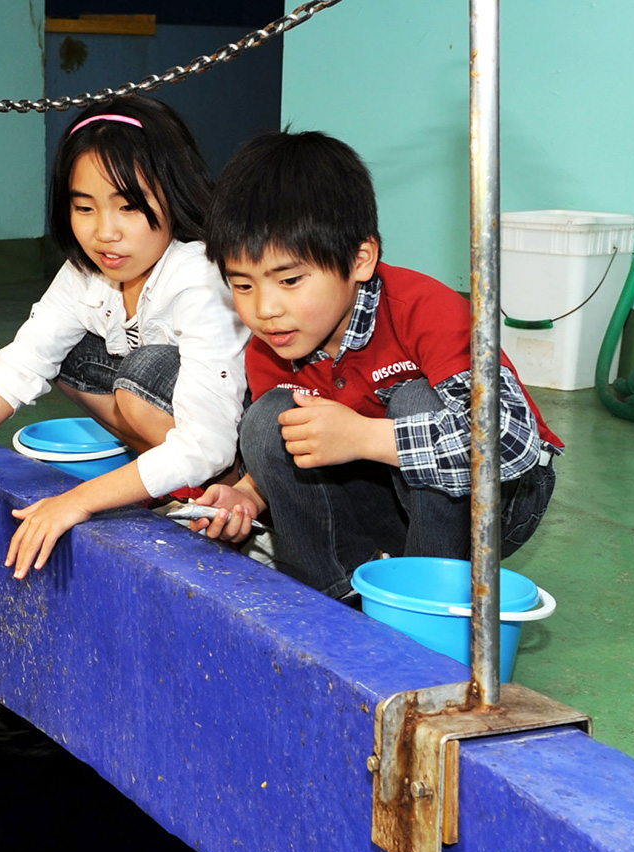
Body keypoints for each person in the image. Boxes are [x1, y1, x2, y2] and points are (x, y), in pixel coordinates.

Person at [0, 97, 249, 579]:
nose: (104, 233)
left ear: (173, 193)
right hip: (171, 414)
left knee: (140, 377)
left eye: (128, 206)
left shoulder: (199, 275)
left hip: (237, 434)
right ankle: (168, 482)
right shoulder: (85, 274)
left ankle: (229, 498)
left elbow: (207, 441)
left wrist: (77, 501)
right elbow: (15, 372)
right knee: (71, 355)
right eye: (84, 207)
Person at [190, 130, 563, 601]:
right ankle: (333, 601)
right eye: (243, 286)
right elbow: (293, 454)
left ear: (361, 258)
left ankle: (426, 604)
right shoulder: (271, 346)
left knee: (415, 397)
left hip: (499, 499)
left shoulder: (426, 310)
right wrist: (249, 492)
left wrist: (363, 437)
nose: (265, 309)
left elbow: (508, 445)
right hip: (382, 488)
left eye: (289, 279)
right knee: (269, 422)